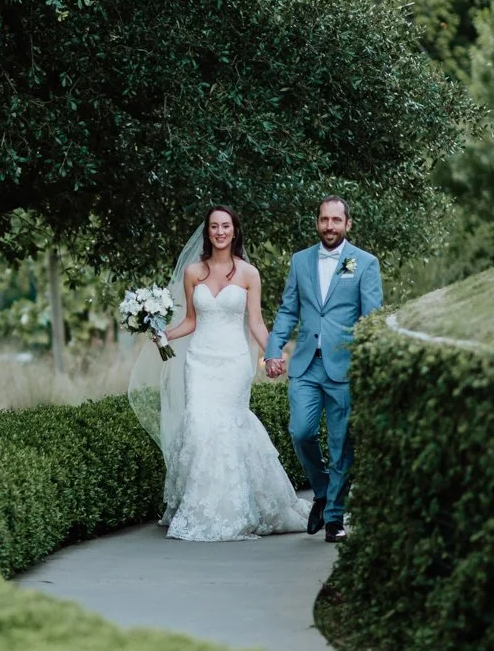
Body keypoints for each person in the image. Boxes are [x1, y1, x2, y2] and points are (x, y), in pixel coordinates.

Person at [130, 206, 310, 542]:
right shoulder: (193, 273)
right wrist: (163, 333)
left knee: (229, 426)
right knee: (199, 423)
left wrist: (274, 353)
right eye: (214, 226)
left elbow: (255, 322)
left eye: (226, 226)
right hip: (199, 360)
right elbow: (191, 321)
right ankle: (200, 507)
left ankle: (236, 509)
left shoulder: (248, 274)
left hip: (233, 362)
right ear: (208, 232)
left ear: (234, 231)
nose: (220, 232)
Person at [263, 197, 383, 543]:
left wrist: (366, 361)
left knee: (342, 442)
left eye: (336, 220)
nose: (329, 226)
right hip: (305, 364)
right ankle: (323, 488)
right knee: (300, 431)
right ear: (317, 222)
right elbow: (288, 311)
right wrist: (274, 350)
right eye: (323, 220)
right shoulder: (300, 261)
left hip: (344, 366)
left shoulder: (364, 263)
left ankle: (334, 517)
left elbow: (371, 317)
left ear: (348, 224)